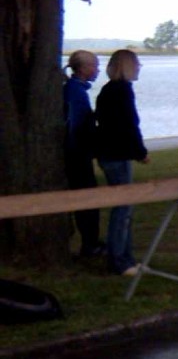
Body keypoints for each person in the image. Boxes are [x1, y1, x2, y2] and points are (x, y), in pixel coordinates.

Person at [94, 48, 148, 277]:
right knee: (122, 208)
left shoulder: (109, 91)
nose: (139, 67)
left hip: (111, 153)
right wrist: (140, 151)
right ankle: (118, 260)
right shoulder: (121, 91)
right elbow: (128, 124)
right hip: (116, 155)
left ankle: (126, 258)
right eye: (136, 63)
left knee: (125, 207)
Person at [63, 50, 103, 258]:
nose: (97, 70)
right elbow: (76, 126)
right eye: (94, 66)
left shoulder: (76, 90)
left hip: (78, 152)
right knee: (87, 198)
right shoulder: (76, 92)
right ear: (83, 68)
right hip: (77, 155)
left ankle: (91, 241)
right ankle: (90, 243)